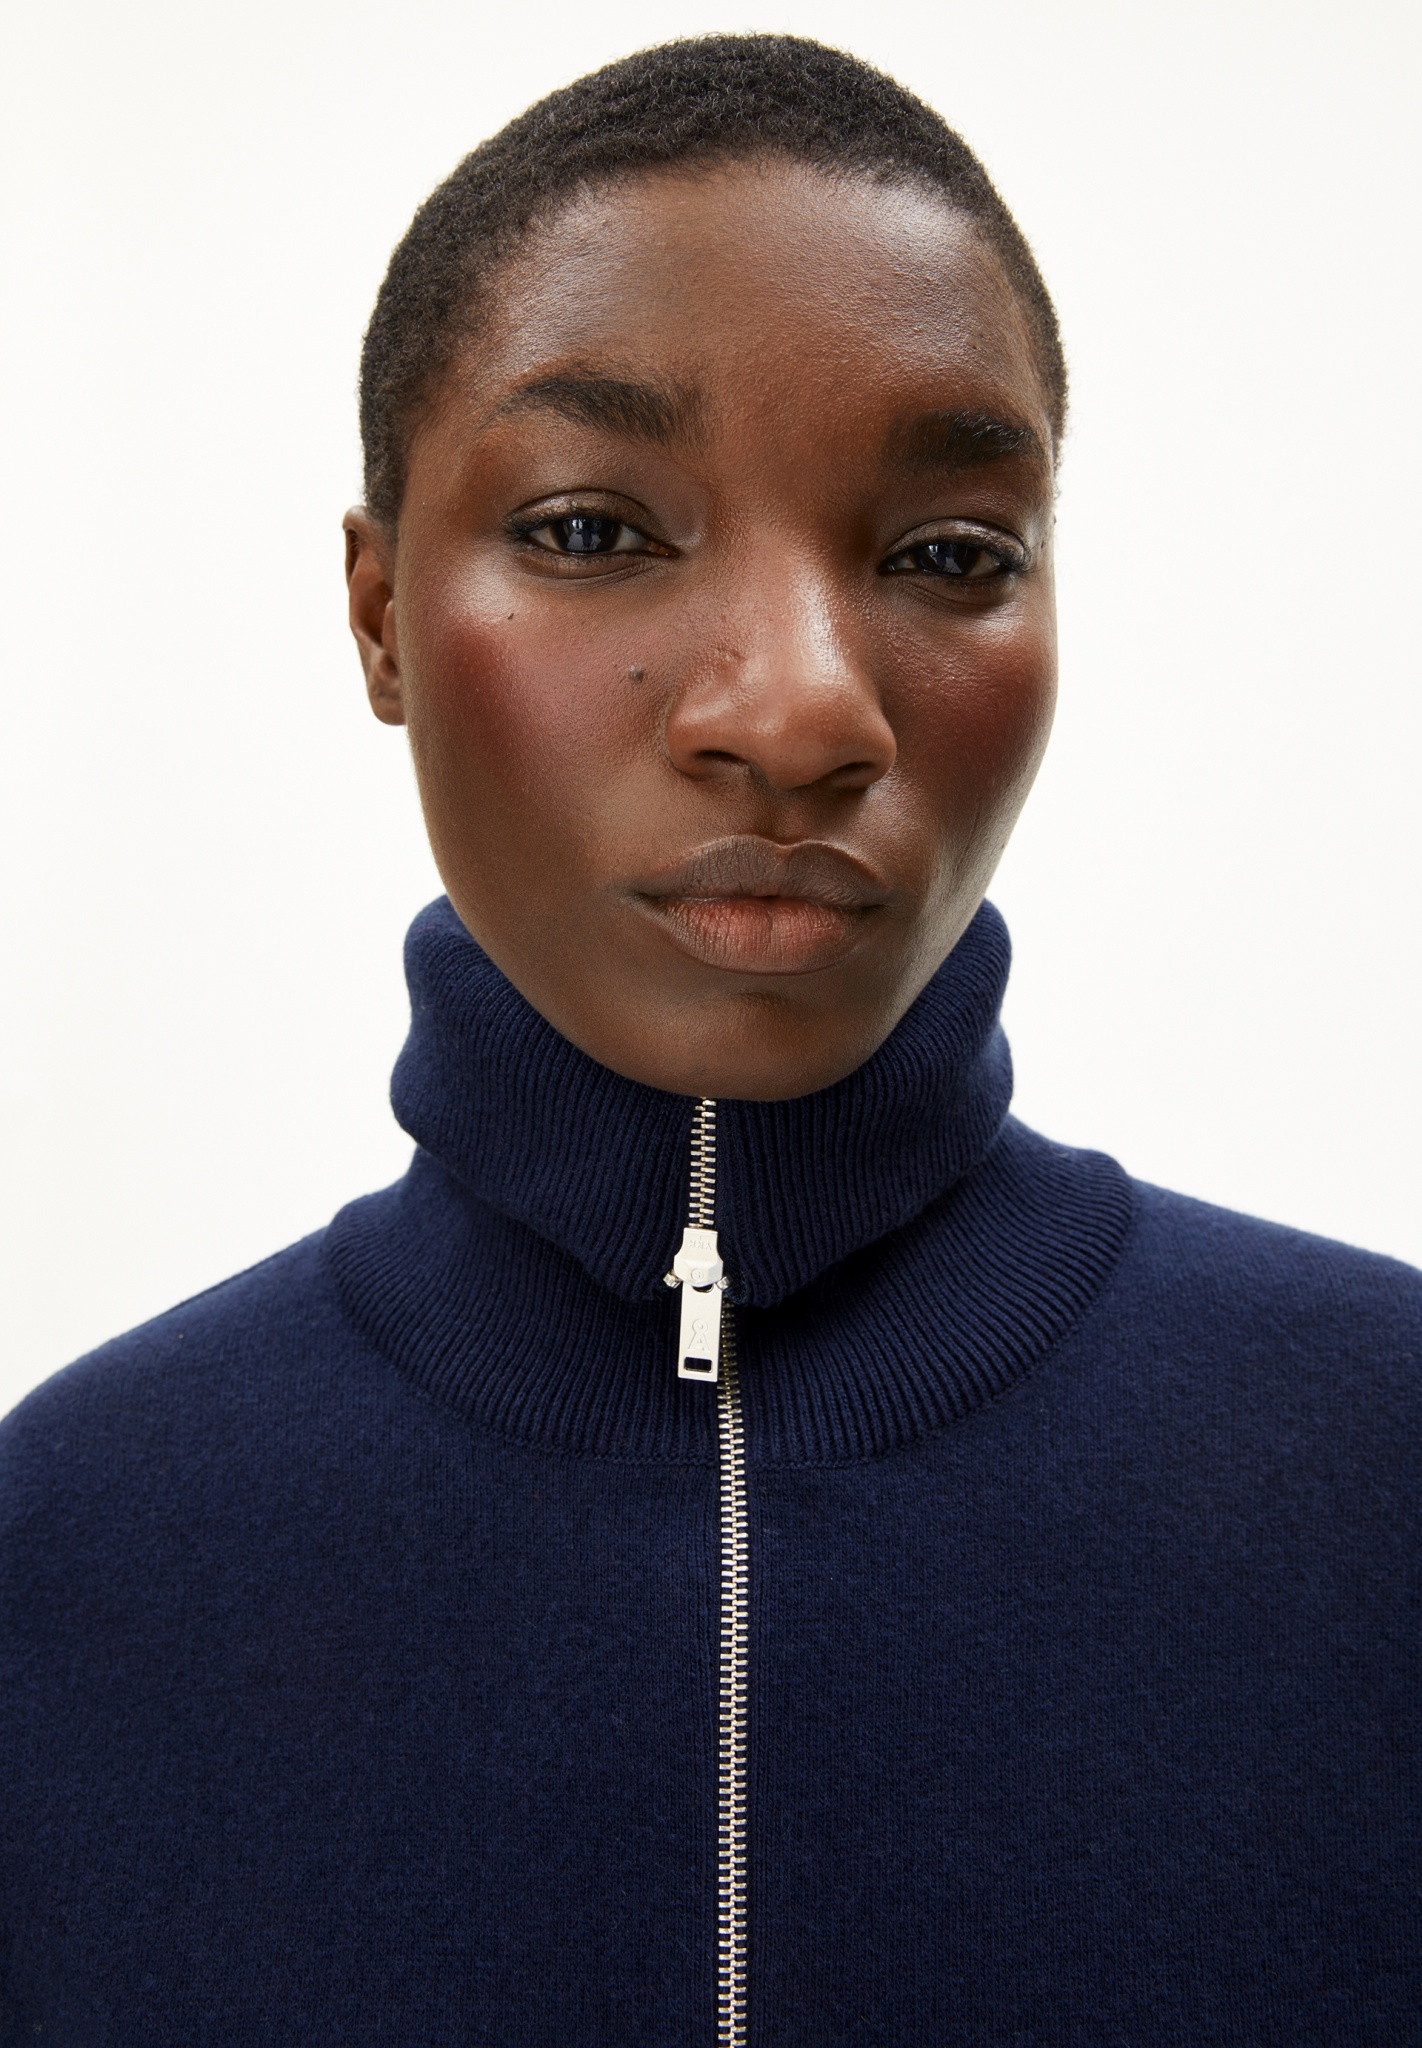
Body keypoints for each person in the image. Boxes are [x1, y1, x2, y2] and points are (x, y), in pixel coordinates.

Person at [1, 34, 1416, 2046]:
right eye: (593, 530)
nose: (798, 710)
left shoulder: (1382, 1478)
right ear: (380, 613)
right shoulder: (62, 1556)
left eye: (948, 555)